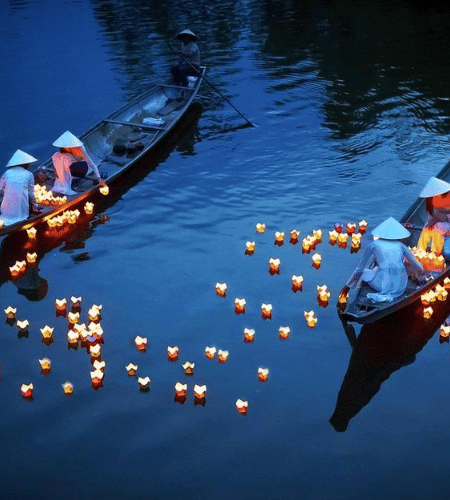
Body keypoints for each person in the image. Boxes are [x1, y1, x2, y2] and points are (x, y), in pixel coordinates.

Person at [340, 217, 423, 303]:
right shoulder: (401, 246)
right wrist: (418, 274)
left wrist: (347, 288)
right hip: (400, 286)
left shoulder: (373, 245)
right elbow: (419, 267)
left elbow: (360, 268)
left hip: (382, 286)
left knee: (365, 272)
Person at [51, 130, 106, 195]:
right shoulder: (63, 149)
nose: (65, 147)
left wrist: (98, 178)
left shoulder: (80, 148)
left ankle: (70, 180)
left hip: (81, 166)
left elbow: (92, 164)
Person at [0, 149, 41, 226]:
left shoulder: (7, 173)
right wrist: (36, 206)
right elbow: (31, 194)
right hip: (21, 213)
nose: (29, 165)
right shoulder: (29, 174)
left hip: (5, 211)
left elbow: (0, 189)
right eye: (28, 164)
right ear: (25, 164)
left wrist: (7, 194)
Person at [416, 176, 450, 255]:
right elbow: (430, 216)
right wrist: (430, 224)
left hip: (447, 223)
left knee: (438, 230)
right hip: (436, 222)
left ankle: (437, 252)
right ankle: (420, 251)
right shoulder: (430, 201)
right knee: (426, 230)